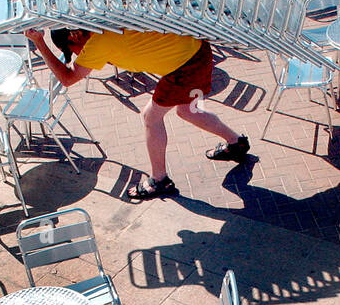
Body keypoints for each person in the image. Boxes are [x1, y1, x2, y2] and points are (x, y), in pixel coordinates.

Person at [25, 26, 251, 200]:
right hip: (196, 51)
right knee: (187, 112)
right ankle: (236, 143)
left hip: (185, 68)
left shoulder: (98, 43)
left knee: (151, 117)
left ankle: (159, 180)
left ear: (74, 36)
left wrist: (39, 43)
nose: (75, 55)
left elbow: (67, 78)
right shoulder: (105, 26)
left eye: (70, 50)